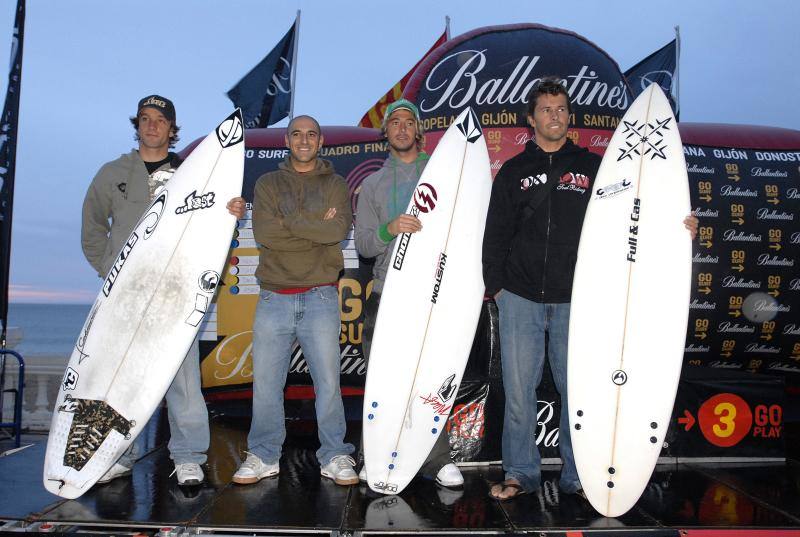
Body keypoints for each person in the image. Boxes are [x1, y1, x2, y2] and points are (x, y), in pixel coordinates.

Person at [481, 77, 698, 500]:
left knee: (577, 391)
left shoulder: (593, 167)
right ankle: (520, 475)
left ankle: (578, 475)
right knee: (520, 394)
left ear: (569, 115)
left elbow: (633, 212)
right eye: (546, 109)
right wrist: (498, 288)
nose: (554, 116)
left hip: (576, 300)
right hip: (520, 296)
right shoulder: (513, 170)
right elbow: (495, 234)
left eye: (561, 109)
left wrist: (678, 223)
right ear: (531, 118)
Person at [81, 95, 246, 486]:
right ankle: (115, 454)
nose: (152, 125)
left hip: (174, 294)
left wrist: (231, 216)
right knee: (119, 376)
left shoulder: (193, 174)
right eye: (145, 119)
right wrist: (111, 274)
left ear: (173, 130)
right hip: (124, 298)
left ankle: (188, 455)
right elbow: (92, 230)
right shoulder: (112, 173)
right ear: (136, 125)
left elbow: (214, 231)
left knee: (182, 377)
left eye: (160, 120)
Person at [233, 115, 358, 486]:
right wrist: (314, 225)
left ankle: (335, 454)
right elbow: (268, 235)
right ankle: (263, 454)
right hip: (274, 298)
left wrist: (294, 221)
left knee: (329, 385)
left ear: (320, 142)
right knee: (266, 386)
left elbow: (336, 231)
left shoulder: (336, 184)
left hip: (320, 296)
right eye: (297, 134)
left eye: (311, 135)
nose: (304, 140)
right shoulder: (268, 183)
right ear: (287, 140)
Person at [353, 99, 464, 488]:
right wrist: (390, 228)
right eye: (394, 122)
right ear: (385, 133)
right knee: (383, 382)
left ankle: (438, 460)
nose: (401, 128)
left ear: (418, 131)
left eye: (408, 122)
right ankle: (374, 457)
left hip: (434, 294)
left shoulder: (445, 172)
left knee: (432, 377)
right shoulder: (372, 185)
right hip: (386, 294)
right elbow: (365, 245)